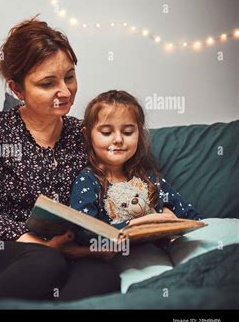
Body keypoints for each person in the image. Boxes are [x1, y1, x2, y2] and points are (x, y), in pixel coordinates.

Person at [0, 16, 120, 308]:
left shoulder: (82, 133)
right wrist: (47, 247)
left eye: (69, 77)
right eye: (48, 83)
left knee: (103, 277)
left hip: (62, 254)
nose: (65, 91)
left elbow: (104, 195)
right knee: (46, 262)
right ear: (17, 89)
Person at [69, 90, 201, 231]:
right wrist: (138, 223)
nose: (118, 140)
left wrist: (174, 220)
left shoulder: (148, 177)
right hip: (121, 250)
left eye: (128, 132)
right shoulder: (88, 180)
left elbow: (189, 214)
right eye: (107, 132)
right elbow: (83, 231)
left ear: (139, 133)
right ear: (88, 135)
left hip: (162, 247)